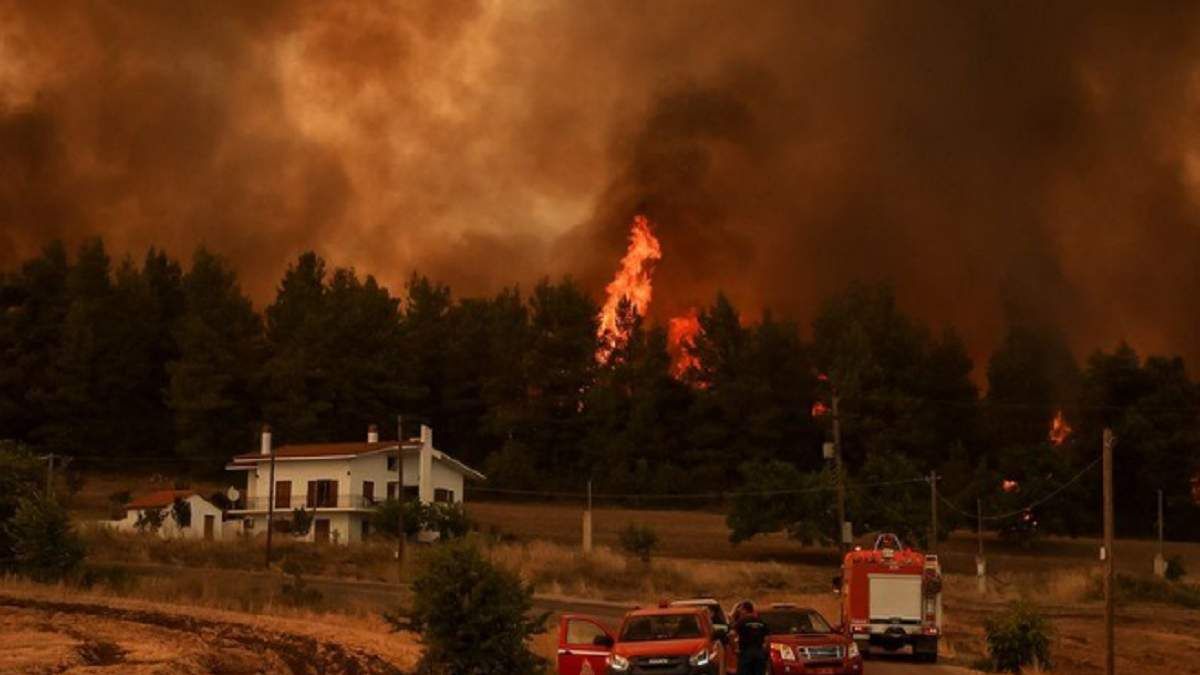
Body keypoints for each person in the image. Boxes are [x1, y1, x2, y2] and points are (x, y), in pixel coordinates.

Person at [733, 600, 769, 675]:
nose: (740, 611)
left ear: (744, 610)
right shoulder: (761, 621)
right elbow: (767, 638)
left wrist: (735, 648)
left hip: (746, 652)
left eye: (741, 609)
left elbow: (733, 635)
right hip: (759, 652)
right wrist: (764, 652)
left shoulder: (741, 621)